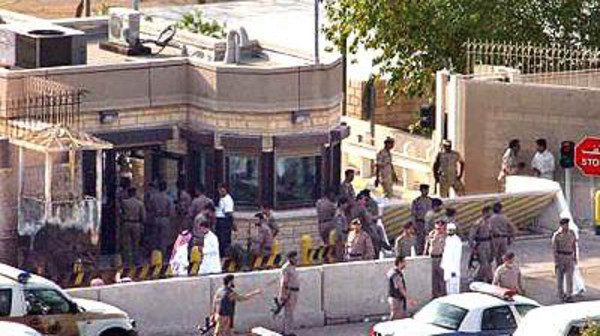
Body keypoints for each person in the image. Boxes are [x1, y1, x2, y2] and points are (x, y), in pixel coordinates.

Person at [552, 218, 577, 302]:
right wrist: (556, 261)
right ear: (561, 225)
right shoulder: (557, 235)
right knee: (560, 278)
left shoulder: (572, 233)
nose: (566, 226)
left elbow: (574, 245)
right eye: (565, 224)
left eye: (567, 224)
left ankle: (569, 295)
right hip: (561, 256)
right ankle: (561, 295)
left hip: (570, 256)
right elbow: (554, 249)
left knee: (570, 277)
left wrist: (575, 256)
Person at [120, 187, 146, 267]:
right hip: (136, 223)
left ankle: (127, 261)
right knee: (136, 244)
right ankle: (136, 261)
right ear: (135, 193)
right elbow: (143, 216)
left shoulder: (124, 203)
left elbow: (120, 213)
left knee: (126, 244)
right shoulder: (140, 203)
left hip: (126, 223)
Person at [148, 180, 174, 257]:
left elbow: (150, 208)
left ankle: (154, 255)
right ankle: (162, 255)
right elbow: (171, 210)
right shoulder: (168, 198)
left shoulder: (153, 197)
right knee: (163, 239)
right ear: (165, 188)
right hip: (164, 218)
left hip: (155, 218)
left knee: (155, 238)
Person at [469, 206, 494, 283]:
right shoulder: (478, 223)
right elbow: (471, 236)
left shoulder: (490, 222)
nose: (491, 214)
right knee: (484, 263)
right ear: (485, 213)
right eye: (489, 212)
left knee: (489, 262)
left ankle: (488, 278)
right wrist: (473, 248)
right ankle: (477, 278)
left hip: (489, 243)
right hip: (481, 244)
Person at [387, 256, 416, 320]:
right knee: (395, 317)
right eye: (404, 262)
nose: (405, 264)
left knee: (400, 317)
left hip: (395, 298)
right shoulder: (396, 274)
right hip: (396, 299)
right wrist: (409, 299)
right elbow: (400, 288)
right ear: (400, 263)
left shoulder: (393, 271)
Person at [278, 251, 300, 336]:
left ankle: (286, 330)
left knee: (289, 312)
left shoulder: (293, 267)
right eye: (294, 257)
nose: (296, 259)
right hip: (289, 292)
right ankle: (288, 332)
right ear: (290, 258)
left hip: (294, 291)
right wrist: (283, 294)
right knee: (289, 313)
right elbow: (283, 282)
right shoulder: (286, 268)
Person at [425, 219, 447, 298]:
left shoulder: (446, 235)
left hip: (441, 258)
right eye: (437, 227)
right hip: (432, 258)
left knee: (442, 278)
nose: (438, 229)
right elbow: (427, 245)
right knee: (433, 278)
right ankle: (435, 294)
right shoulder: (432, 233)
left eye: (440, 227)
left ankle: (443, 294)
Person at [490, 202, 516, 267]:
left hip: (495, 239)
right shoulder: (504, 217)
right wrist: (512, 237)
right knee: (504, 255)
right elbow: (512, 228)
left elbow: (490, 229)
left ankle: (498, 269)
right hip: (504, 238)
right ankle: (504, 269)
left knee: (496, 256)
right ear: (501, 209)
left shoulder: (491, 218)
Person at [411, 184, 433, 254]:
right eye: (424, 190)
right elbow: (413, 215)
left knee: (429, 240)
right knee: (420, 242)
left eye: (427, 190)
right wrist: (414, 225)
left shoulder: (431, 200)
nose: (426, 191)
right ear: (421, 190)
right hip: (420, 223)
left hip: (429, 224)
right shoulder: (416, 201)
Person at [441, 223, 462, 295]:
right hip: (447, 269)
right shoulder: (447, 239)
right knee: (448, 289)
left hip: (453, 270)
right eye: (448, 230)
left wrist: (453, 270)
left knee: (454, 289)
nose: (449, 232)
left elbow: (456, 257)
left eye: (451, 230)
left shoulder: (457, 240)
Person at [215, 184, 235, 257]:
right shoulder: (221, 198)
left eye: (222, 190)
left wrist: (232, 224)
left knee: (224, 240)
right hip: (219, 221)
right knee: (220, 239)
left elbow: (229, 213)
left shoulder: (228, 199)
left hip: (224, 222)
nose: (221, 191)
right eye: (220, 190)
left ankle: (225, 255)